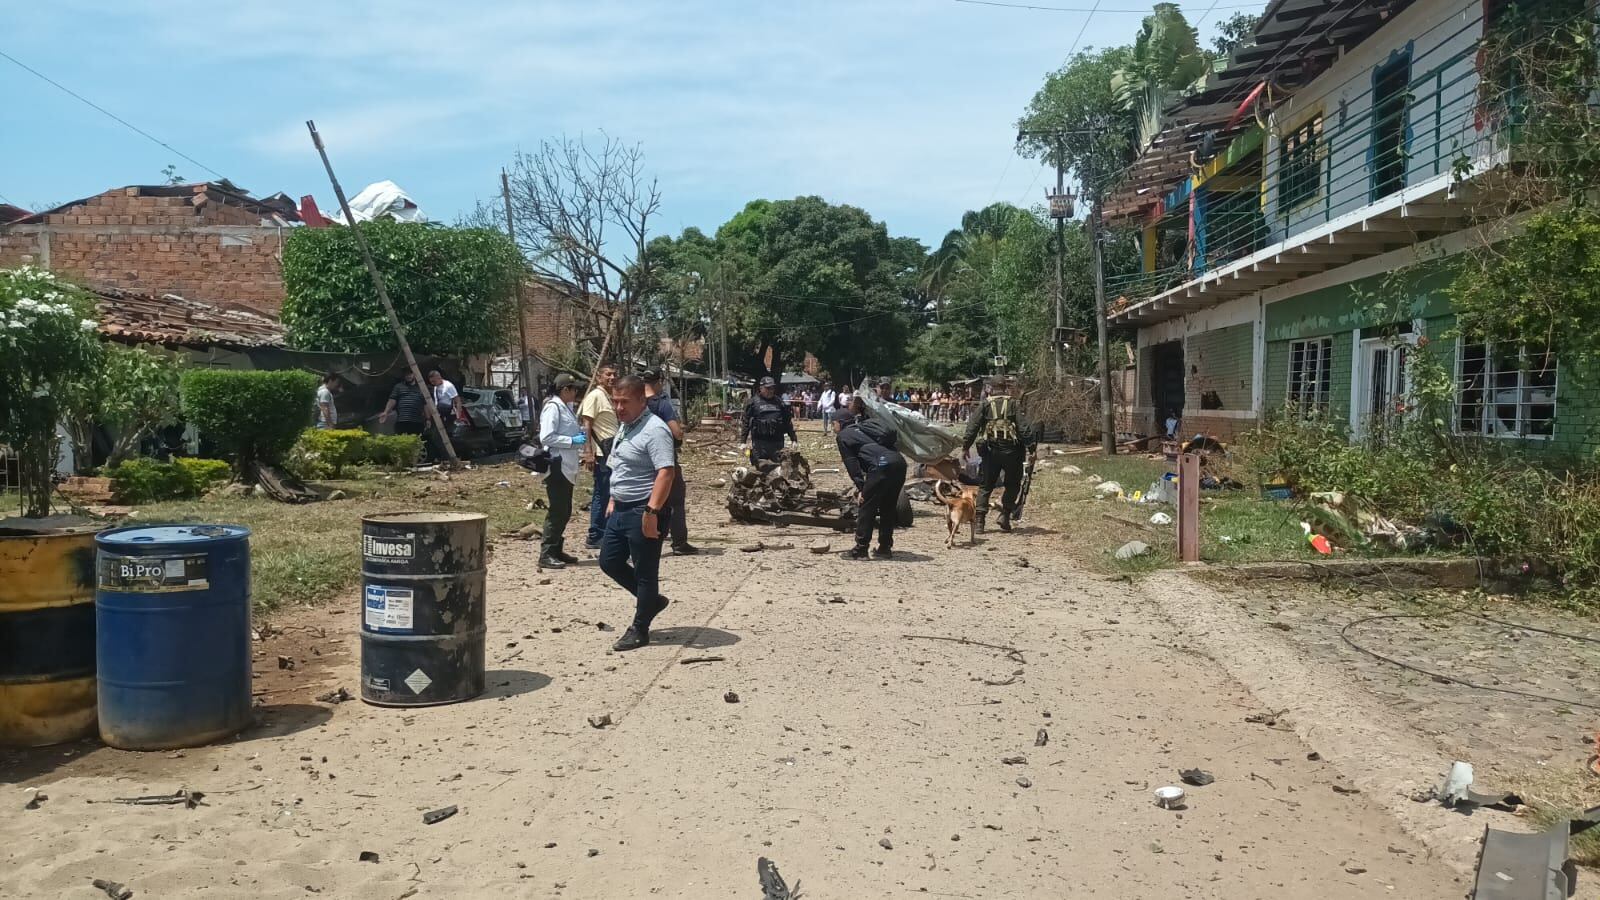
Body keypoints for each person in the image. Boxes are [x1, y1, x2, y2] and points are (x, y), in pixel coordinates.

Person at [598, 375, 679, 652]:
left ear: (641, 401)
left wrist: (651, 511)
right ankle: (651, 601)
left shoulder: (654, 430)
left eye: (625, 402)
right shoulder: (626, 427)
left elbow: (666, 472)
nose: (619, 408)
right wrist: (612, 497)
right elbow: (621, 466)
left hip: (644, 508)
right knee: (609, 561)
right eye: (615, 401)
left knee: (645, 571)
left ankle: (640, 628)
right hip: (620, 507)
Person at [835, 398, 908, 560]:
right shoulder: (866, 428)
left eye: (834, 424)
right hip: (899, 463)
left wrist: (862, 488)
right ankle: (884, 547)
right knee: (888, 507)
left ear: (839, 423)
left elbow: (852, 464)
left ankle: (861, 550)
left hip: (881, 466)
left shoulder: (843, 436)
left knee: (867, 508)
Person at [962, 376, 1036, 533]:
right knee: (1013, 484)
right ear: (1006, 387)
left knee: (986, 485)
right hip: (1012, 452)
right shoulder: (1013, 404)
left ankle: (980, 521)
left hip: (991, 452)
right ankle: (1005, 515)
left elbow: (973, 426)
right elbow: (1023, 427)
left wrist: (966, 446)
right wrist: (1032, 448)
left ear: (990, 388)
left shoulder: (985, 404)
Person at [642, 369, 698, 556]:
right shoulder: (662, 403)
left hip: (641, 459)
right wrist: (680, 436)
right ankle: (679, 543)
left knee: (647, 499)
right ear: (659, 381)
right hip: (664, 459)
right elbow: (677, 432)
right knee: (675, 501)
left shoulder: (637, 403)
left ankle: (647, 540)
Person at [537, 374, 586, 570]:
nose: (576, 392)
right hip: (557, 465)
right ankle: (546, 553)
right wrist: (571, 441)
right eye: (573, 389)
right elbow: (546, 437)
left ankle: (557, 548)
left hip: (568, 464)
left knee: (565, 510)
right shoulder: (553, 407)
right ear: (565, 390)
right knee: (557, 510)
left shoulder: (566, 408)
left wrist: (577, 436)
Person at [579, 365, 621, 549]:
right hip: (601, 453)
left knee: (612, 492)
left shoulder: (610, 397)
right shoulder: (595, 396)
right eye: (607, 374)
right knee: (601, 493)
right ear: (598, 377)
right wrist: (588, 451)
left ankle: (608, 530)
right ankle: (596, 534)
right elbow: (587, 423)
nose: (612, 377)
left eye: (614, 374)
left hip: (613, 452)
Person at [741, 376, 797, 463]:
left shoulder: (780, 402)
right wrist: (743, 442)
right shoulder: (753, 403)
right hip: (760, 444)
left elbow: (787, 422)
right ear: (761, 388)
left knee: (778, 471)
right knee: (760, 470)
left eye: (772, 388)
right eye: (767, 388)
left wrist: (793, 439)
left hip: (777, 443)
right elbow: (746, 422)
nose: (770, 391)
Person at [380, 369, 428, 440]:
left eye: (410, 374)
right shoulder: (399, 387)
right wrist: (386, 412)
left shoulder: (421, 388)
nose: (408, 376)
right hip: (402, 420)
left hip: (417, 421)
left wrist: (428, 419)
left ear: (414, 374)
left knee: (416, 442)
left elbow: (426, 404)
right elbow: (392, 400)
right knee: (402, 441)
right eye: (406, 374)